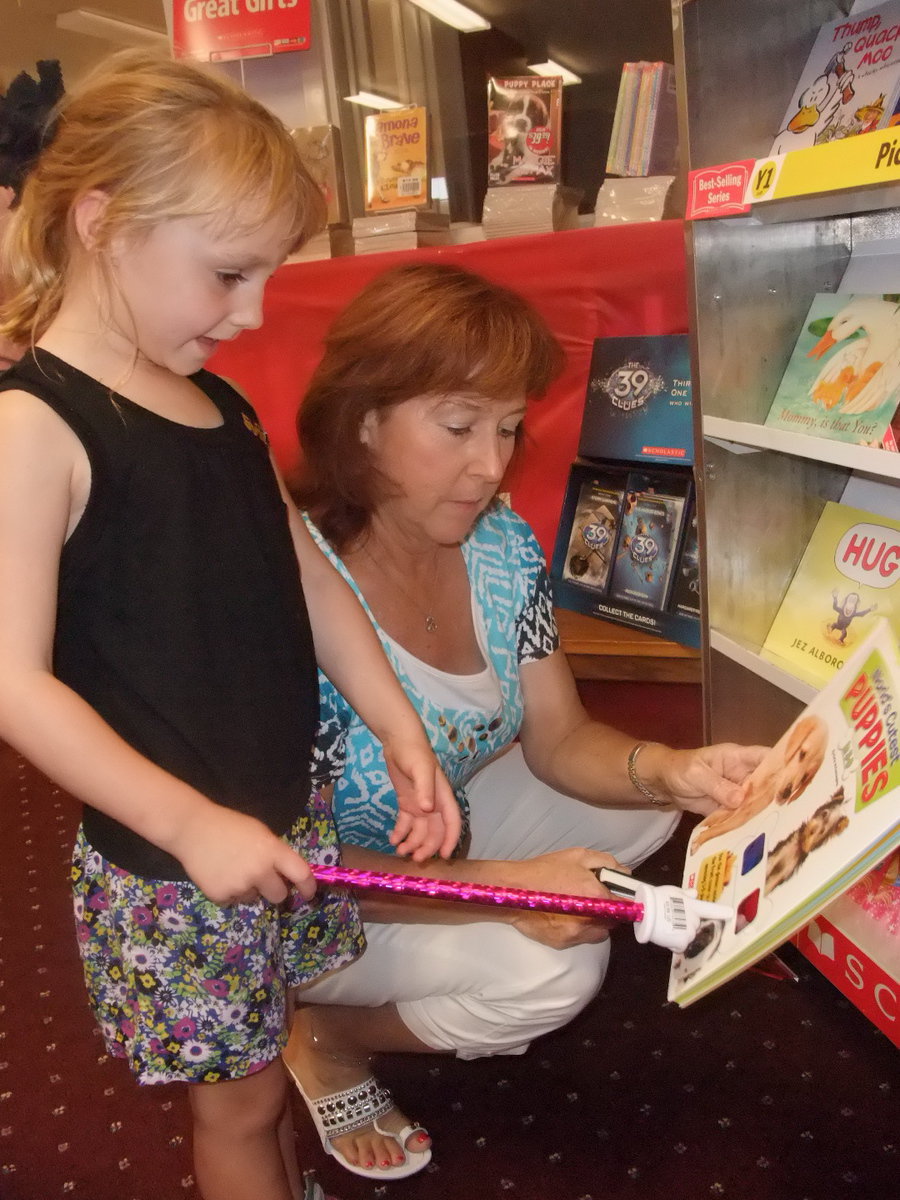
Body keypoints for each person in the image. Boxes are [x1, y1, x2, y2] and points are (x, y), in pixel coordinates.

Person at [0, 53, 461, 1200]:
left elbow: (301, 574)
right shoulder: (33, 428)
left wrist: (395, 720)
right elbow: (12, 682)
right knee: (240, 1101)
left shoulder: (220, 403)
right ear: (102, 222)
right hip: (173, 855)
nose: (253, 314)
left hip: (270, 808)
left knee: (270, 1040)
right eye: (228, 276)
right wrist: (193, 825)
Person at [283, 261, 768, 1179]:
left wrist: (677, 767)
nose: (492, 464)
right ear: (362, 418)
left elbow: (560, 736)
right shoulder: (286, 591)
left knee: (646, 808)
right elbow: (287, 862)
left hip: (433, 830)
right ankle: (327, 1034)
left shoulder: (499, 542)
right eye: (459, 425)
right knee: (556, 972)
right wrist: (511, 886)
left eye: (507, 429)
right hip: (318, 899)